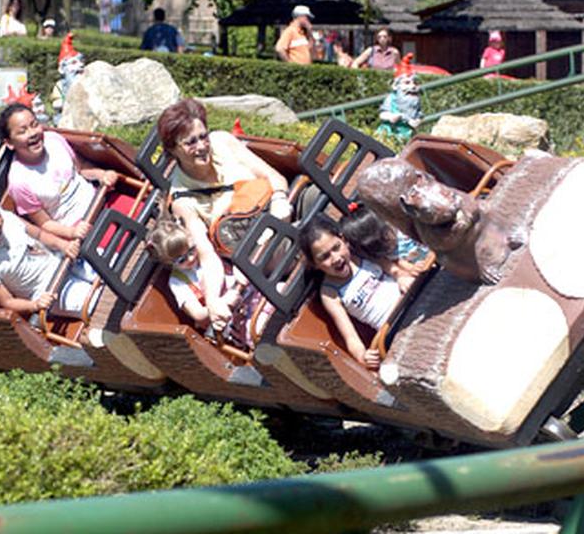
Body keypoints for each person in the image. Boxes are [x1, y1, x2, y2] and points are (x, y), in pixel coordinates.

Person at [158, 98, 291, 331]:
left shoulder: (223, 142)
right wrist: (212, 302)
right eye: (190, 142)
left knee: (313, 196)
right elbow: (207, 255)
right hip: (255, 255)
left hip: (281, 219)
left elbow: (275, 178)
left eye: (203, 136)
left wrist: (279, 199)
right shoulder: (182, 199)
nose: (201, 146)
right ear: (173, 150)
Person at [0, 189, 95, 316]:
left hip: (61, 260)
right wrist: (35, 305)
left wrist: (63, 245)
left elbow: (39, 234)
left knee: (106, 267)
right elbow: (7, 302)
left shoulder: (8, 219)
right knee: (93, 300)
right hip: (47, 289)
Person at [300, 214, 412, 370]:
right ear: (315, 264)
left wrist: (401, 277)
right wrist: (362, 355)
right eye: (325, 257)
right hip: (392, 328)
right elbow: (351, 337)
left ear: (344, 240)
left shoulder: (360, 253)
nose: (336, 258)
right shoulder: (329, 294)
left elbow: (393, 269)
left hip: (410, 301)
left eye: (336, 247)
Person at [0, 103, 117, 243]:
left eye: (34, 124)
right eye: (22, 131)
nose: (33, 133)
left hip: (99, 199)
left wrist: (102, 175)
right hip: (78, 225)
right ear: (9, 143)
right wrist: (72, 232)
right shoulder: (19, 182)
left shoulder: (53, 139)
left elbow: (81, 168)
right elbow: (44, 223)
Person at [147, 217, 265, 348]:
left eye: (191, 250)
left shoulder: (208, 252)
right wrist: (223, 302)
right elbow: (197, 314)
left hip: (254, 292)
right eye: (181, 260)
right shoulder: (177, 282)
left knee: (282, 289)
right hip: (235, 319)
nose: (191, 258)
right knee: (260, 327)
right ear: (168, 263)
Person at [341, 203, 429, 286]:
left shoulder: (404, 229)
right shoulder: (385, 255)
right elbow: (398, 263)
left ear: (387, 221)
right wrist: (411, 268)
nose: (388, 246)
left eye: (385, 236)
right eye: (378, 246)